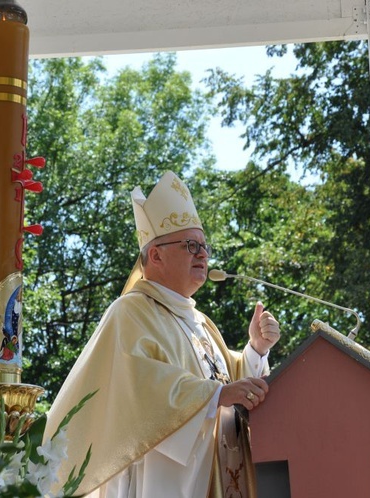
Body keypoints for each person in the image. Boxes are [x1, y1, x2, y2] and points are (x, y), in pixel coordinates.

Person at [43, 170, 281, 497]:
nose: (203, 254)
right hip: (162, 482)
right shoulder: (130, 313)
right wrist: (213, 396)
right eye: (190, 245)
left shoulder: (202, 323)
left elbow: (230, 385)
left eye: (204, 245)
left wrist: (256, 349)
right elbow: (137, 389)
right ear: (154, 255)